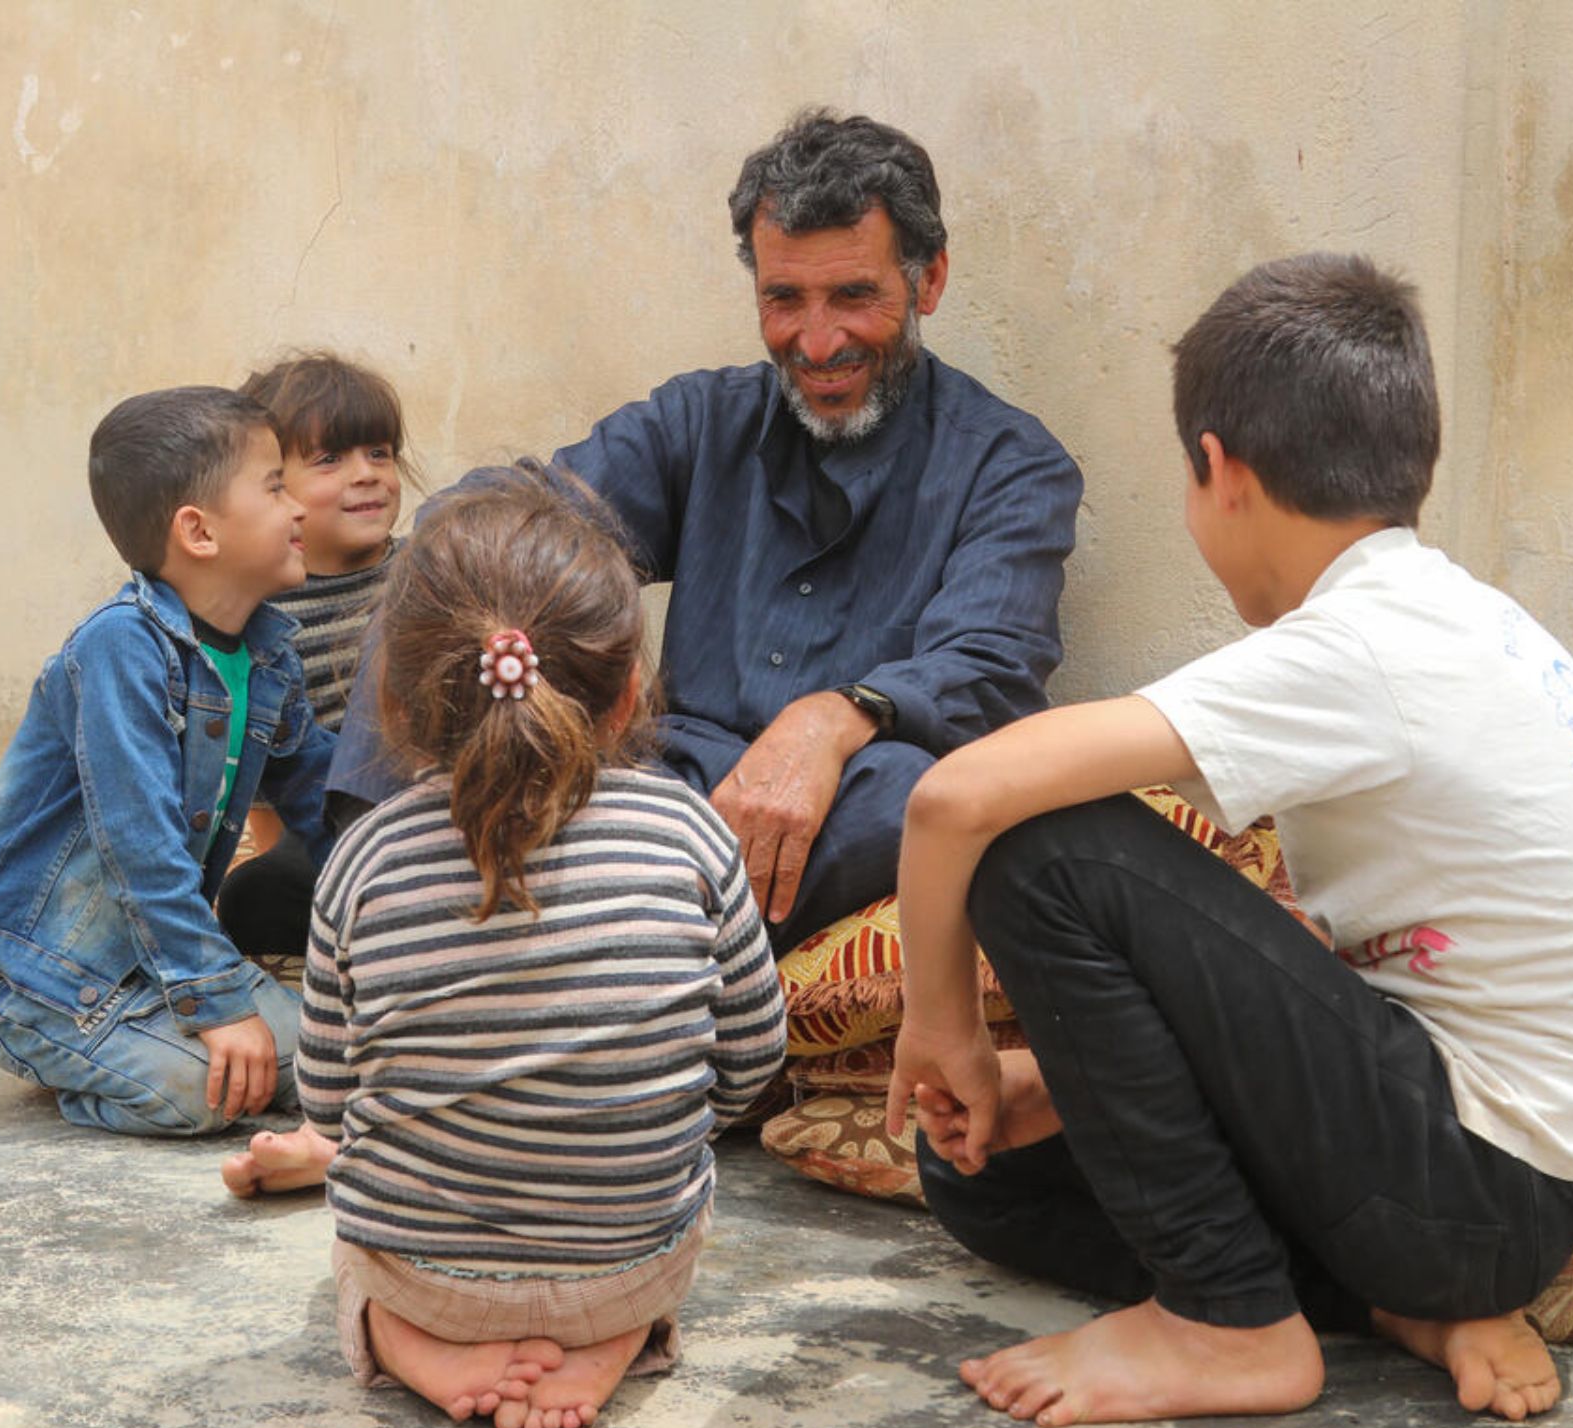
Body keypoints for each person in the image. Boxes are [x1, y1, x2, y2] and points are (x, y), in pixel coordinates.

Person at [886, 252, 1573, 1427]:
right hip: (1499, 1185)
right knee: (984, 1182)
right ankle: (1398, 1309)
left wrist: (938, 1027)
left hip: (1477, 1178)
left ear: (1218, 469)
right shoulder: (1446, 612)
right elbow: (1319, 989)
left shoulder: (1354, 649)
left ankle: (1226, 1328)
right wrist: (1053, 1082)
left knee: (1045, 848)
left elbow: (952, 798)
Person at [326, 110, 1082, 949]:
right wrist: (473, 556)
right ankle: (373, 876)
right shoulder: (700, 420)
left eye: (854, 296)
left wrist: (832, 718)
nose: (817, 339)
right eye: (783, 299)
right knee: (440, 566)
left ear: (928, 282)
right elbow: (519, 509)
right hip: (651, 780)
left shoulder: (1010, 464)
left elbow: (989, 667)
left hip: (844, 796)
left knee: (923, 794)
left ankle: (613, 925)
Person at [238, 461, 785, 1428]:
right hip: (624, 1263)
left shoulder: (361, 858)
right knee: (685, 1184)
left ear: (396, 709)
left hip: (428, 1274)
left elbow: (328, 1099)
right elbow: (748, 1064)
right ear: (627, 698)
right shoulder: (689, 830)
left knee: (357, 1237)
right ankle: (621, 1333)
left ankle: (409, 1339)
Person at [0, 386, 337, 1136]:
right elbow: (140, 845)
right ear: (198, 532)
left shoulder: (267, 658)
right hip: (39, 977)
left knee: (329, 1067)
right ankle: (90, 1071)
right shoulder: (121, 648)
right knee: (207, 1094)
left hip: (160, 964)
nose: (298, 510)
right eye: (275, 486)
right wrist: (220, 1006)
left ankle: (164, 1030)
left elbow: (322, 800)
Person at [217, 353, 413, 957]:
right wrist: (287, 859)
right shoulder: (264, 611)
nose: (367, 473)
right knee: (255, 896)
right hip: (329, 829)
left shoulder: (427, 572)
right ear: (274, 486)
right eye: (330, 459)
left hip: (436, 809)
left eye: (379, 452)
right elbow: (265, 770)